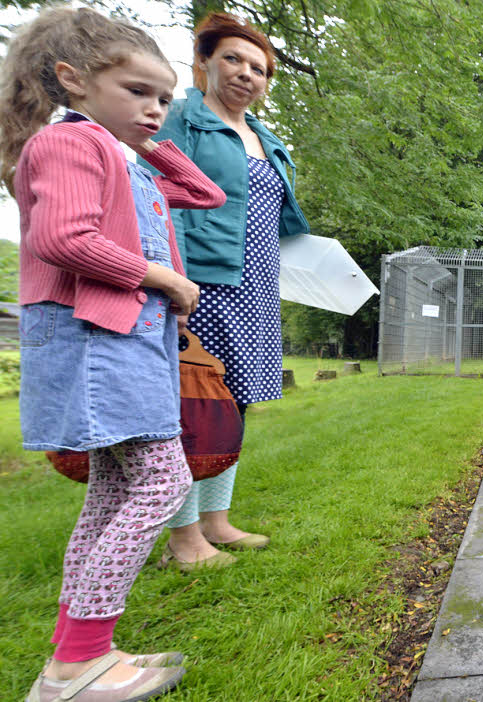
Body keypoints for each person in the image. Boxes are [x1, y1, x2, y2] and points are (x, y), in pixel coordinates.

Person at [0, 8, 226, 701]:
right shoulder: (67, 146)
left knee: (113, 493)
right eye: (137, 92)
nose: (155, 109)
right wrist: (161, 276)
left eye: (164, 98)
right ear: (72, 80)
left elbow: (204, 193)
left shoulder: (112, 150)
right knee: (159, 483)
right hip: (95, 338)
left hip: (121, 340)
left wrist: (147, 140)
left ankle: (79, 656)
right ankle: (77, 664)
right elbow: (63, 240)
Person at [144, 12, 309, 570]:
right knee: (192, 404)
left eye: (258, 68)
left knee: (232, 404)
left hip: (256, 285)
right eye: (233, 60)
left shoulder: (265, 138)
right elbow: (148, 195)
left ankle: (216, 519)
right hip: (201, 280)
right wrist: (167, 273)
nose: (246, 74)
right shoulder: (183, 120)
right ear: (205, 63)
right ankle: (182, 537)